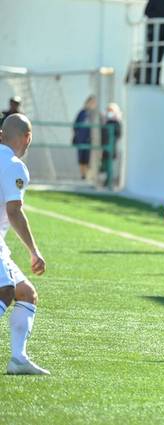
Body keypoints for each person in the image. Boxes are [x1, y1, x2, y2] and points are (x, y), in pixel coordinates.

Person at [0, 114, 49, 375]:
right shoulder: (14, 166)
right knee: (5, 291)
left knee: (26, 293)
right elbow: (14, 211)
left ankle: (18, 359)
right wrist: (34, 251)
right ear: (27, 138)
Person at [72, 95, 98, 180]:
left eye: (93, 103)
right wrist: (76, 136)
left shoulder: (95, 114)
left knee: (88, 159)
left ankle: (88, 175)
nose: (91, 104)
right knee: (81, 158)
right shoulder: (82, 113)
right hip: (81, 140)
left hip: (91, 140)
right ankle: (83, 175)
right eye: (90, 102)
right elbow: (75, 125)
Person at [100, 103, 123, 186]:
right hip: (104, 147)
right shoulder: (106, 121)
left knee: (109, 165)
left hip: (111, 147)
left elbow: (118, 134)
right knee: (104, 165)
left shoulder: (116, 123)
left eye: (111, 110)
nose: (109, 112)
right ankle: (106, 181)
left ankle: (108, 182)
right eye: (108, 110)